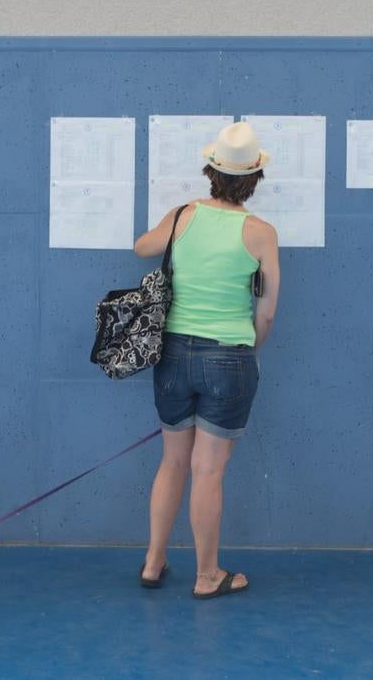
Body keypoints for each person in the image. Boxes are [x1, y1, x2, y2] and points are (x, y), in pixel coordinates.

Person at [131, 121, 281, 599]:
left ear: (210, 169)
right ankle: (206, 575)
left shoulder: (182, 216)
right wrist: (248, 351)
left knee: (172, 462)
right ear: (254, 177)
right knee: (209, 470)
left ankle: (154, 563)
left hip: (172, 355)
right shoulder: (261, 233)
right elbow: (269, 310)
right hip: (228, 358)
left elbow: (141, 247)